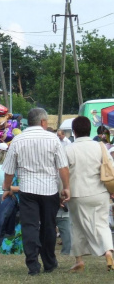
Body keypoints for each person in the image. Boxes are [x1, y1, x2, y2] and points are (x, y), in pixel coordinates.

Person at [2, 108, 70, 276]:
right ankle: (49, 262)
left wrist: (7, 187)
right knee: (49, 226)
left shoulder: (18, 140)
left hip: (27, 190)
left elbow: (9, 170)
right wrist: (66, 187)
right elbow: (63, 167)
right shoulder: (53, 139)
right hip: (49, 189)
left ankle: (33, 264)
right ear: (43, 122)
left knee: (29, 227)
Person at [65, 116, 114, 272]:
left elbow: (63, 173)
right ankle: (108, 252)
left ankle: (79, 260)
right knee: (102, 224)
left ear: (74, 131)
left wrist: (62, 191)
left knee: (77, 226)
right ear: (89, 130)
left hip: (77, 194)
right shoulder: (100, 147)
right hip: (100, 192)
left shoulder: (68, 149)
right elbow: (110, 167)